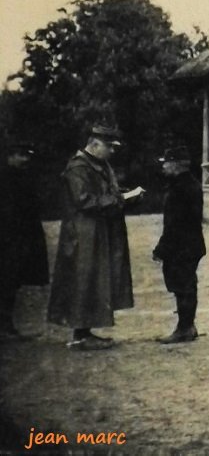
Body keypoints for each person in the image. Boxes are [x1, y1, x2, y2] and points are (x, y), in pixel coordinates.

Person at [47, 125, 143, 350]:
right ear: (94, 144)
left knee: (94, 281)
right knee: (84, 280)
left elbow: (105, 193)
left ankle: (85, 331)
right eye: (109, 146)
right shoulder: (78, 167)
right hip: (83, 234)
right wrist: (120, 200)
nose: (112, 151)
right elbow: (84, 200)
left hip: (97, 232)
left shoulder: (100, 165)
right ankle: (80, 335)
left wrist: (126, 196)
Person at [153, 146, 205, 344]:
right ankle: (187, 326)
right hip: (190, 244)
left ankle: (184, 328)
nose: (164, 167)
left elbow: (174, 224)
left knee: (182, 286)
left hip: (181, 247)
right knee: (186, 285)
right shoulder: (190, 184)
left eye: (166, 163)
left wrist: (161, 249)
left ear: (176, 165)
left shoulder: (179, 189)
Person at [0, 141, 49, 339]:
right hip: (8, 237)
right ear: (9, 157)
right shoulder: (6, 179)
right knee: (6, 280)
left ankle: (6, 326)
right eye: (20, 155)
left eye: (26, 155)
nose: (25, 159)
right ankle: (5, 327)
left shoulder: (22, 177)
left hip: (19, 237)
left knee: (12, 282)